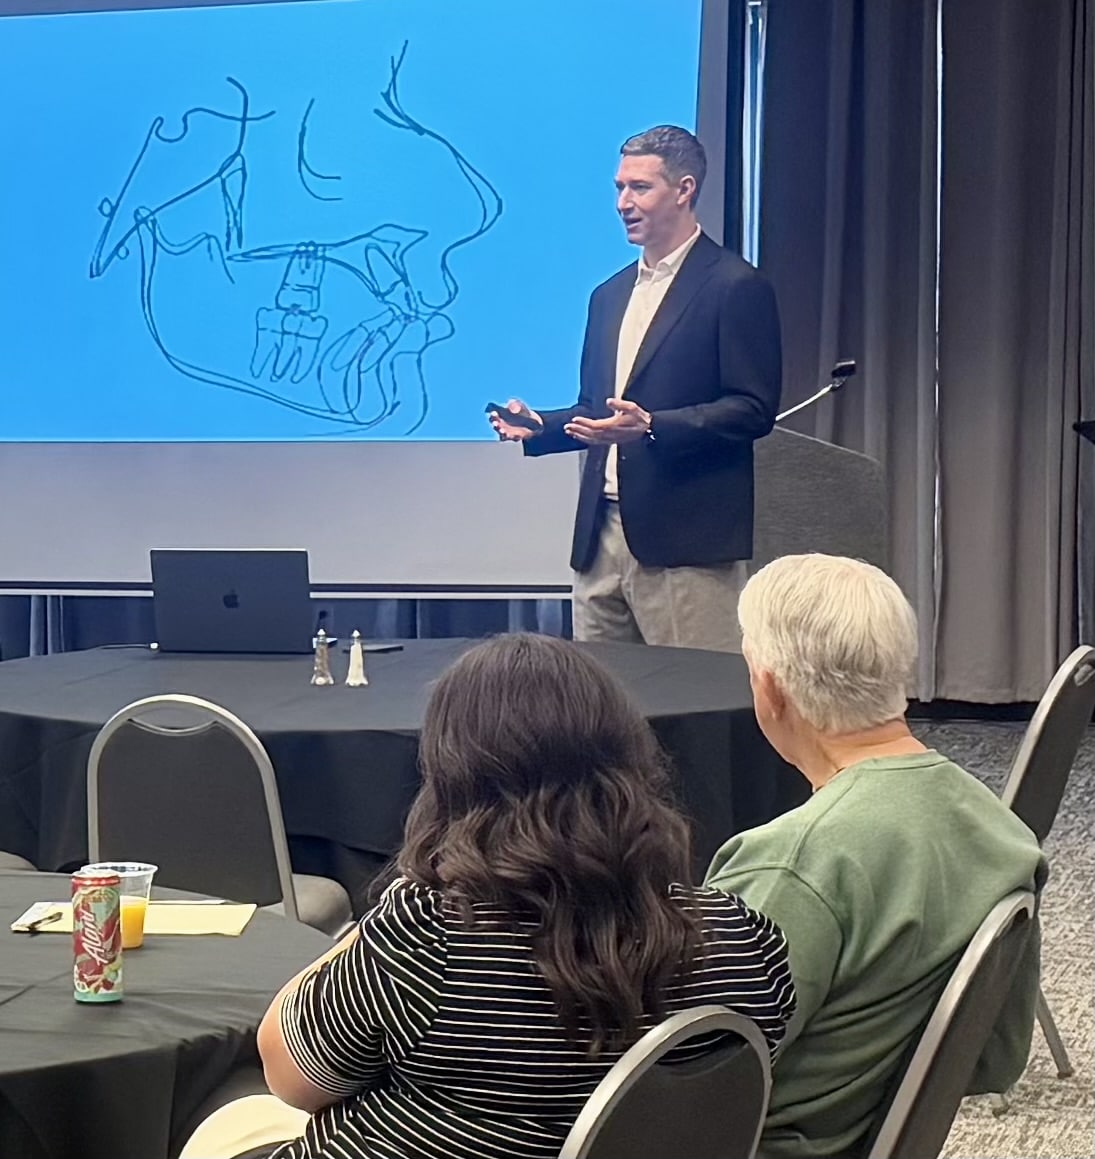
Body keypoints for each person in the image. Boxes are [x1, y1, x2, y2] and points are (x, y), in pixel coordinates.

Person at [188, 634, 796, 1159]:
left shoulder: (430, 933)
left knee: (228, 1112)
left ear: (452, 776)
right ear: (630, 764)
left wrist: (366, 927)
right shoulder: (744, 941)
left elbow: (289, 1076)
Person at [704, 554, 1046, 1159]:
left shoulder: (791, 866)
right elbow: (997, 1058)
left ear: (769, 688)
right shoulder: (1000, 830)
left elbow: (688, 1079)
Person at [489, 125, 781, 652]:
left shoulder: (735, 285)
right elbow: (596, 409)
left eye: (639, 188)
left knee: (693, 708)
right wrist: (541, 426)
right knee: (601, 710)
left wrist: (652, 427)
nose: (624, 202)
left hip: (685, 543)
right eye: (619, 188)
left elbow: (753, 408)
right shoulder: (608, 294)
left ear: (685, 189)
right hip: (599, 540)